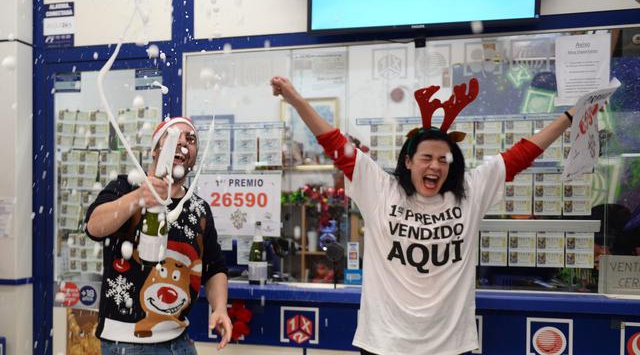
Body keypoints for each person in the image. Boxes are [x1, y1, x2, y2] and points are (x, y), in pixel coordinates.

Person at [271, 75, 577, 355]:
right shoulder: (380, 189)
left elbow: (523, 153)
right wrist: (295, 99)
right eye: (426, 158)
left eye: (443, 159)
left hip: (450, 346)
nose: (434, 166)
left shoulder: (470, 192)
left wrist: (569, 117)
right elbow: (334, 143)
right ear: (408, 161)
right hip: (384, 343)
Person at [85, 117, 232, 354]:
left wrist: (220, 308)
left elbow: (214, 268)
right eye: (174, 135)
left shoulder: (198, 208)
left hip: (180, 340)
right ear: (155, 150)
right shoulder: (127, 186)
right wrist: (139, 198)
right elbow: (94, 226)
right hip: (126, 343)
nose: (184, 142)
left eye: (191, 139)